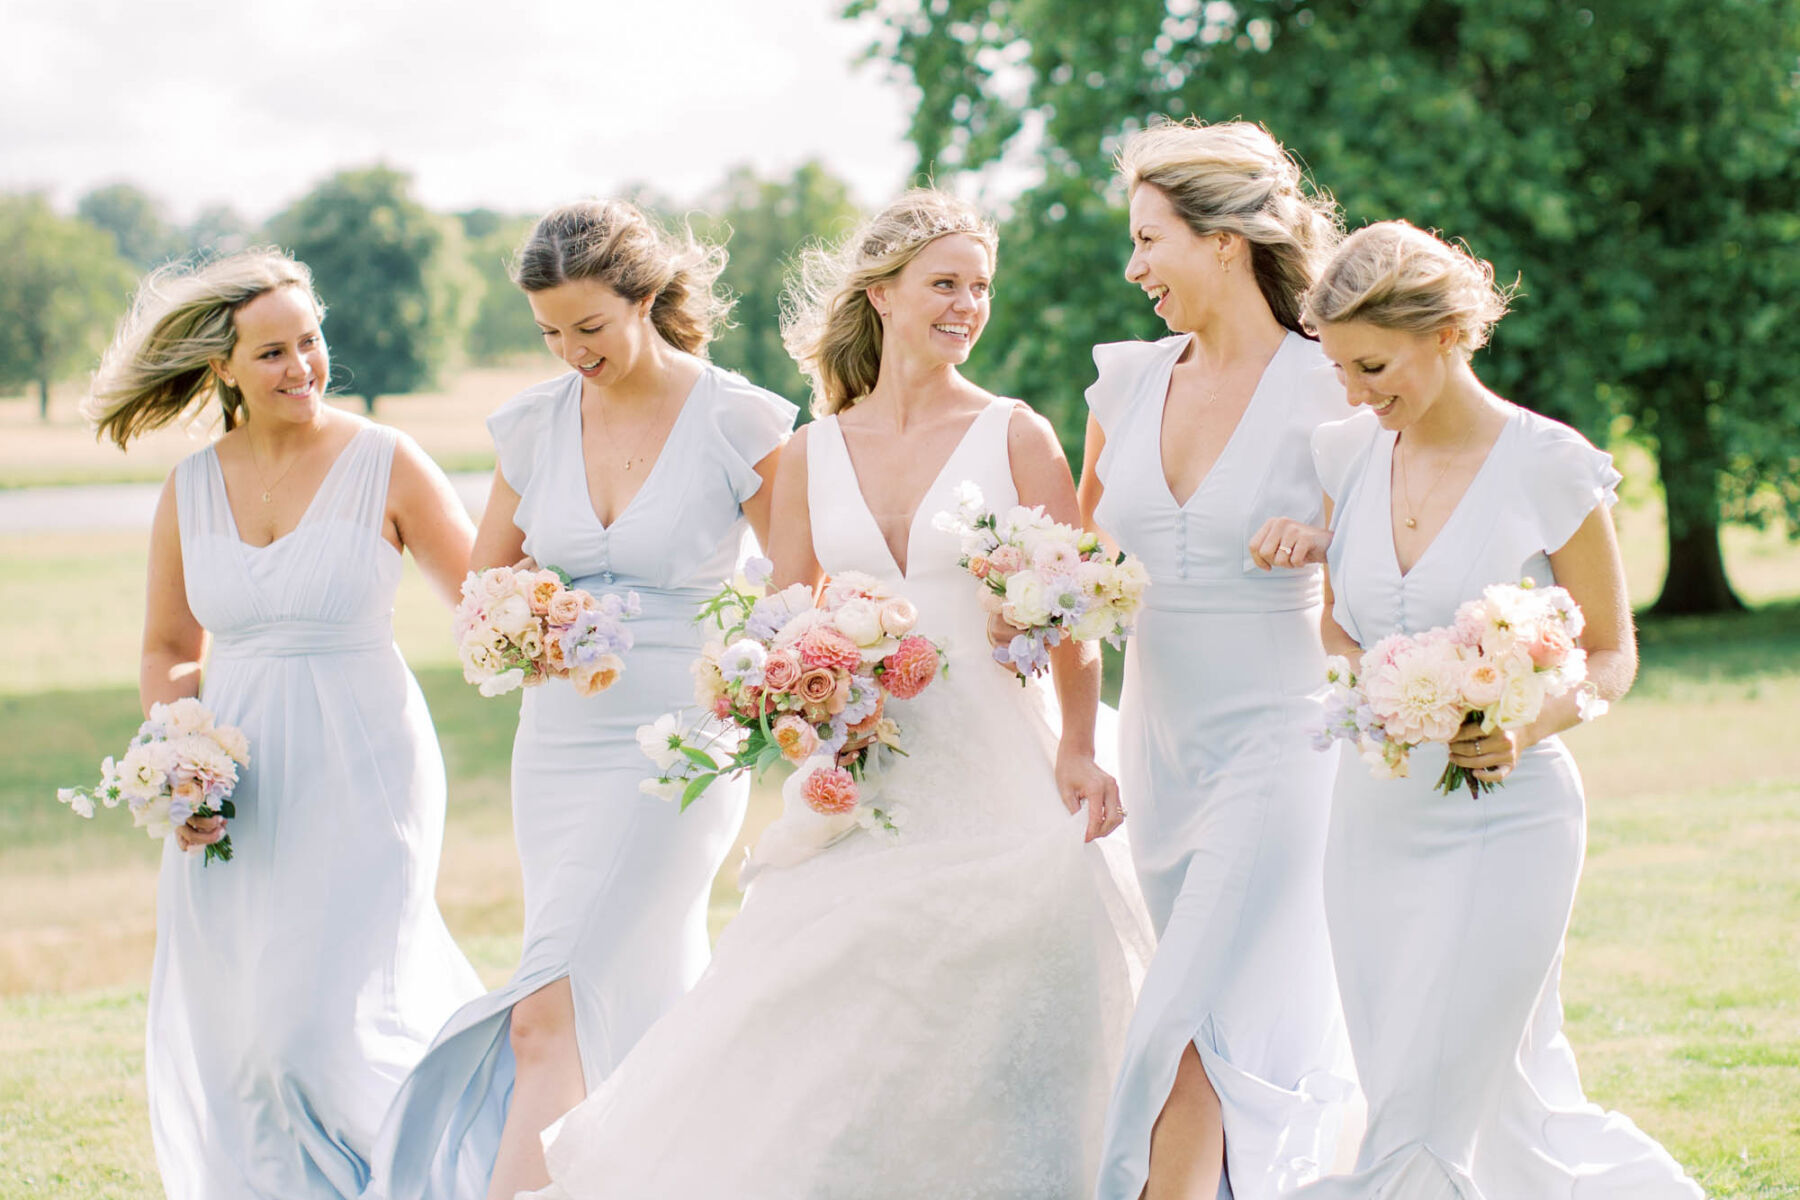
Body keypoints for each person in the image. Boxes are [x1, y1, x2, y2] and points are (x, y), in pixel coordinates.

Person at [522, 189, 1151, 1200]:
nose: (968, 304)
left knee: (1009, 999)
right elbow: (784, 616)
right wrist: (796, 703)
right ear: (884, 294)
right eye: (945, 283)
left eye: (980, 286)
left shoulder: (1017, 434)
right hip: (869, 777)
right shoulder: (814, 450)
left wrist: (1080, 745)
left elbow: (1072, 608)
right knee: (830, 1013)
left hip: (1001, 770)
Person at [364, 200, 796, 1200]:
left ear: (645, 299)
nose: (570, 352)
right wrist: (525, 621)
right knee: (633, 989)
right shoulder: (533, 424)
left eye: (590, 327)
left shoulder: (737, 416)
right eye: (550, 331)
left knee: (544, 1006)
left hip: (679, 742)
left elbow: (798, 577)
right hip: (556, 742)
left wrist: (750, 675)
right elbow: (483, 587)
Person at [1282, 219, 1704, 1197]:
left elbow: (1611, 651)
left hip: (1505, 819)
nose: (1355, 392)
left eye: (1373, 364)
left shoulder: (1549, 463)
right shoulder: (1347, 451)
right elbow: (1340, 627)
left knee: (1427, 1106)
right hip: (1374, 818)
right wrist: (1379, 687)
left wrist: (1524, 722)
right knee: (1489, 1096)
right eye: (1341, 369)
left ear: (1446, 332)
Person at [85, 249, 483, 1198]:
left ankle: (446, 1170)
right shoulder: (189, 489)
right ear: (221, 367)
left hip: (364, 763)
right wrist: (178, 753)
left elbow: (490, 602)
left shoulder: (386, 461)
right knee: (244, 1037)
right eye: (272, 353)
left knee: (319, 1026)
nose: (302, 366)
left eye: (310, 342)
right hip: (236, 779)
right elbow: (169, 645)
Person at [1075, 119, 1356, 1200]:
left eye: (1151, 240)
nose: (1135, 266)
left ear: (1227, 242)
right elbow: (1081, 560)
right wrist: (1027, 609)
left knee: (1184, 1009)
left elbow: (1400, 552)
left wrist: (1330, 538)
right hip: (1158, 741)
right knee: (1202, 1029)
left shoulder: (1333, 381)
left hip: (1281, 734)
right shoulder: (1126, 383)